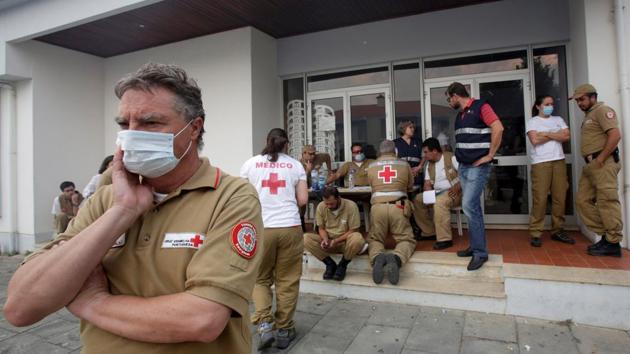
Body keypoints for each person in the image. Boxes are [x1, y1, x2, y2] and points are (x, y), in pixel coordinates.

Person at [5, 63, 264, 354]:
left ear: (194, 128)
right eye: (123, 124)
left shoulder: (230, 196)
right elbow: (21, 308)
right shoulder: (106, 199)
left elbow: (202, 319)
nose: (131, 135)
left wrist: (94, 302)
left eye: (150, 123)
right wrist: (123, 211)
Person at [240, 128, 308, 350]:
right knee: (287, 280)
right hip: (289, 227)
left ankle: (264, 324)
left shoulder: (250, 164)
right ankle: (285, 329)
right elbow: (303, 200)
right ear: (286, 144)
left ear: (267, 141)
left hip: (262, 227)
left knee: (260, 279)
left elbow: (242, 197)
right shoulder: (296, 166)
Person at [446, 82, 503, 271]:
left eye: (449, 98)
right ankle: (475, 246)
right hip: (464, 167)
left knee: (469, 206)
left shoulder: (481, 107)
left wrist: (490, 155)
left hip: (478, 167)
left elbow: (498, 128)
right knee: (472, 208)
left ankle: (480, 253)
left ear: (455, 95)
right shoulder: (460, 116)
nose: (448, 102)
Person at [571, 84, 623, 257]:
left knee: (606, 202)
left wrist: (600, 159)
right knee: (582, 201)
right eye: (577, 100)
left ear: (593, 97)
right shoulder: (588, 115)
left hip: (603, 163)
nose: (579, 103)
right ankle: (607, 236)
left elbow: (615, 135)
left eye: (582, 99)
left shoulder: (602, 110)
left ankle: (613, 242)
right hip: (591, 166)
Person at [367, 140, 416, 285]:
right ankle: (396, 259)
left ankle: (377, 258)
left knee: (375, 239)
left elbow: (371, 185)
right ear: (395, 151)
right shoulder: (403, 164)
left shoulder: (371, 166)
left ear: (380, 152)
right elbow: (410, 185)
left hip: (377, 208)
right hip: (398, 207)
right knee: (406, 239)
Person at [526, 95, 573, 247]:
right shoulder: (532, 121)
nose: (550, 106)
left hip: (558, 161)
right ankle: (535, 232)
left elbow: (567, 136)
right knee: (540, 199)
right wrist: (556, 135)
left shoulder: (558, 119)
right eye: (547, 104)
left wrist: (546, 134)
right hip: (540, 163)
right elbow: (534, 140)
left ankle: (557, 230)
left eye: (551, 104)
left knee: (560, 197)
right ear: (538, 106)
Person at [303, 186, 367, 281]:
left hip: (345, 243)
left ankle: (343, 265)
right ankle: (330, 264)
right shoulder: (321, 206)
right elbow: (321, 228)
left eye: (331, 204)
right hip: (329, 242)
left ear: (338, 198)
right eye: (326, 203)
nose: (328, 206)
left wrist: (336, 241)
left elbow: (353, 230)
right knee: (306, 238)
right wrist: (325, 239)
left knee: (357, 238)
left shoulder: (351, 206)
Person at [414, 138, 462, 250]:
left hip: (454, 192)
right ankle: (430, 231)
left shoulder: (451, 158)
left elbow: (465, 175)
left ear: (435, 151)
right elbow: (427, 183)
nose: (424, 155)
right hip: (437, 193)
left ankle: (445, 239)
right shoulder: (429, 164)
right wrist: (427, 193)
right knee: (417, 199)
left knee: (440, 202)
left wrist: (458, 187)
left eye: (426, 152)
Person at [393, 121, 427, 240]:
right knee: (404, 203)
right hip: (403, 176)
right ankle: (405, 228)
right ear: (403, 129)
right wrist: (405, 171)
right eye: (410, 127)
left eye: (413, 127)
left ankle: (418, 228)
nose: (413, 129)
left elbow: (424, 156)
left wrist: (419, 167)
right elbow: (394, 160)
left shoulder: (418, 142)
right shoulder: (395, 143)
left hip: (417, 175)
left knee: (416, 202)